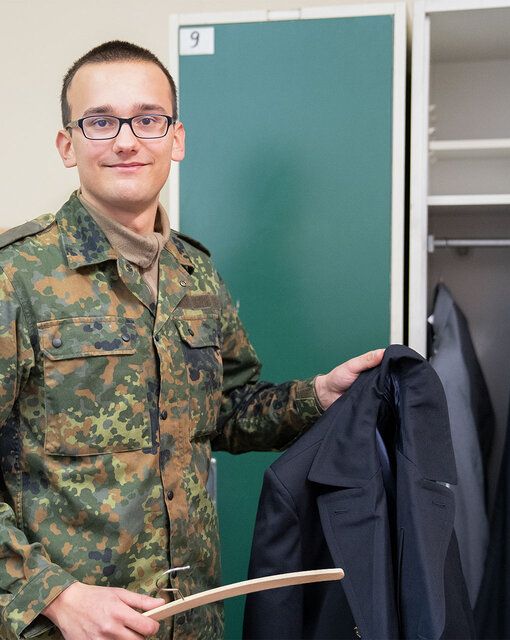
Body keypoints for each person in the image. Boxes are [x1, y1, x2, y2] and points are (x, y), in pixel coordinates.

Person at [0, 41, 384, 640]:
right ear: (66, 144)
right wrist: (55, 595)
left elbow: (224, 409)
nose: (126, 140)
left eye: (147, 119)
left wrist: (318, 397)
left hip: (192, 618)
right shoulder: (15, 275)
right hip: (63, 628)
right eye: (99, 121)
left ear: (175, 139)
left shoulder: (194, 273)